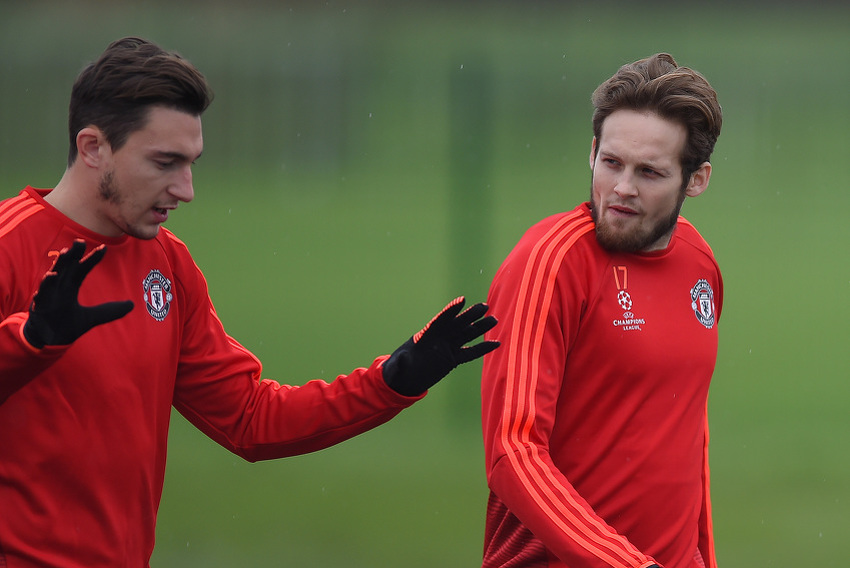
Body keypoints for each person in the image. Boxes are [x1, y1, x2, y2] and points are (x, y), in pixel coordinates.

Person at [0, 37, 499, 567]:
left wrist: (392, 381)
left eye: (191, 163)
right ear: (93, 146)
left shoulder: (167, 265)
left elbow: (249, 418)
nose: (186, 188)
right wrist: (29, 343)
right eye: (165, 163)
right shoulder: (11, 247)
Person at [480, 53, 723, 568]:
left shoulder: (701, 265)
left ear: (695, 180)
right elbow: (513, 453)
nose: (623, 188)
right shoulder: (548, 263)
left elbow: (684, 434)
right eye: (611, 162)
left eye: (650, 172)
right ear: (592, 151)